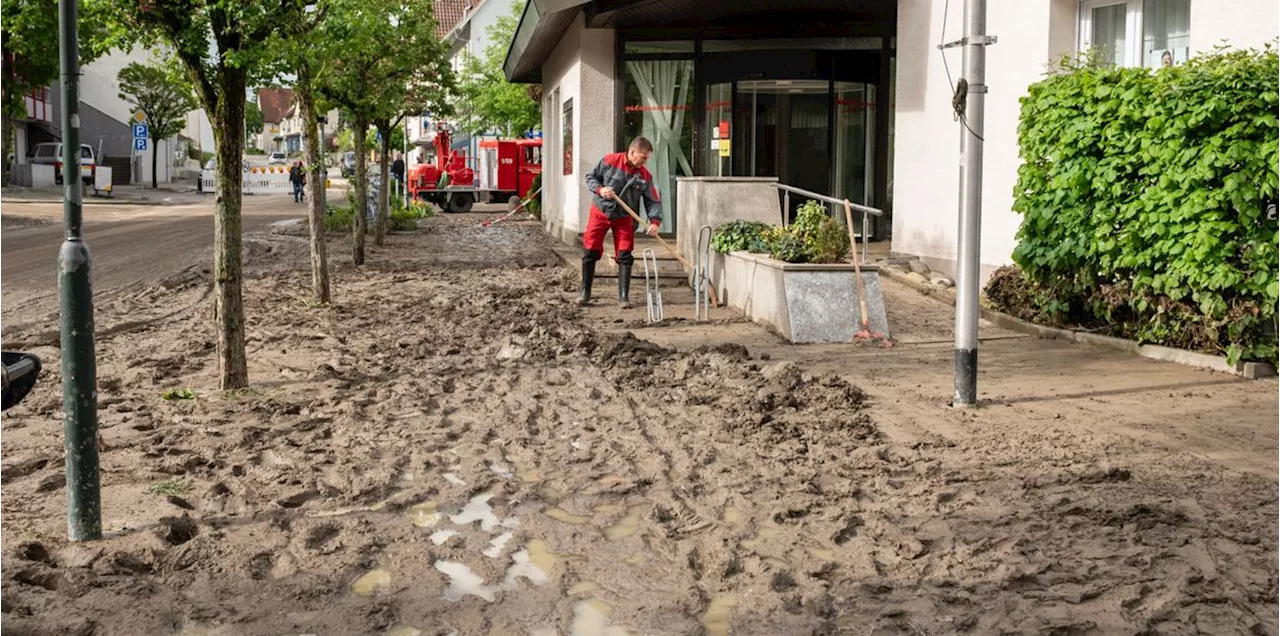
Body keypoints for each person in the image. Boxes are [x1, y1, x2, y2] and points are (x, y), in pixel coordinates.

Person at [580, 137, 661, 308]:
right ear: (632, 153)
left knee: (625, 255)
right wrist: (601, 190)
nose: (645, 162)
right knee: (590, 251)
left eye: (647, 158)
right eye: (643, 157)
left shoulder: (645, 176)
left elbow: (652, 200)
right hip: (600, 213)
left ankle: (624, 297)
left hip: (624, 217)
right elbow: (590, 177)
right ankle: (585, 293)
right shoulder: (610, 160)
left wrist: (654, 221)